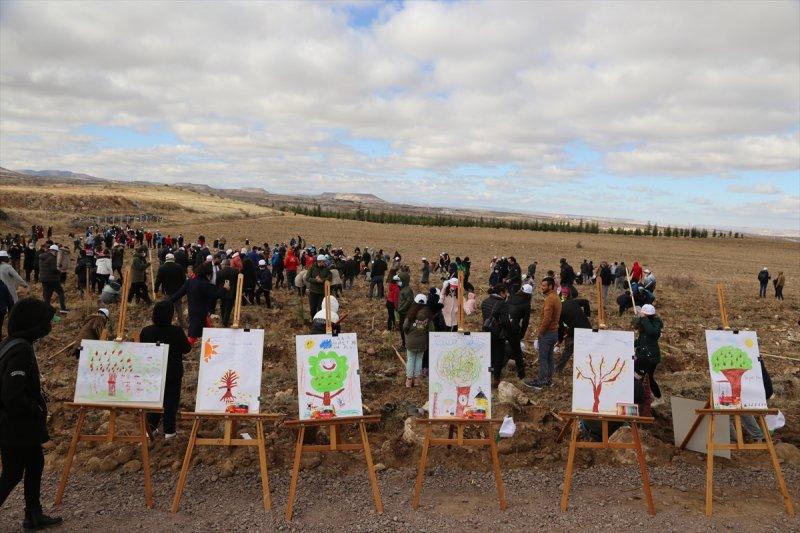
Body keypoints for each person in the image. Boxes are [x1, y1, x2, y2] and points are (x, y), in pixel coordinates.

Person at [0, 298, 63, 529]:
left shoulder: (11, 343)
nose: (48, 326)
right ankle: (33, 513)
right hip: (16, 426)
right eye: (45, 322)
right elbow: (12, 394)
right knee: (13, 472)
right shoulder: (20, 350)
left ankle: (33, 514)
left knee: (35, 463)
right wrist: (33, 408)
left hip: (16, 425)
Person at [141, 301, 192, 438]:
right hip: (172, 373)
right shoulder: (176, 331)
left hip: (152, 372)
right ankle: (169, 431)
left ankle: (151, 428)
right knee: (170, 402)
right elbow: (186, 349)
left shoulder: (146, 332)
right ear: (170, 315)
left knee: (153, 399)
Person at [170, 264, 228, 344]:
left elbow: (179, 294)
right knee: (192, 336)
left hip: (193, 311)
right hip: (200, 313)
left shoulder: (190, 281)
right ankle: (182, 349)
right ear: (207, 274)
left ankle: (212, 344)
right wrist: (224, 289)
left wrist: (168, 301)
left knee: (207, 328)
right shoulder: (204, 284)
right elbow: (215, 295)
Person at [524, 277, 561, 390]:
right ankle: (549, 380)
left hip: (547, 333)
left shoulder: (550, 299)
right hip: (554, 332)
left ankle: (541, 381)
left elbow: (547, 319)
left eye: (544, 286)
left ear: (550, 286)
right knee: (549, 357)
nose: (542, 287)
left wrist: (540, 332)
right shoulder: (557, 297)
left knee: (543, 358)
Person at [633, 304, 663, 416]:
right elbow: (640, 337)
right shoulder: (645, 324)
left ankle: (637, 400)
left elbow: (651, 332)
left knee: (637, 378)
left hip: (649, 357)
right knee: (649, 378)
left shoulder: (655, 324)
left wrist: (644, 318)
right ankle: (658, 397)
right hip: (647, 356)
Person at [555, 287, 591, 373]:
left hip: (575, 332)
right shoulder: (573, 302)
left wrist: (559, 340)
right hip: (587, 328)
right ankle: (588, 368)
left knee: (568, 350)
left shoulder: (560, 310)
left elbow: (561, 328)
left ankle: (558, 369)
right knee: (588, 350)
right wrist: (587, 315)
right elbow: (586, 302)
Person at [403, 294, 433, 387]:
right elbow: (431, 330)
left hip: (411, 342)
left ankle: (409, 380)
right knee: (419, 359)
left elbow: (405, 326)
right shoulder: (428, 315)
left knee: (410, 359)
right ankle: (416, 380)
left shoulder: (411, 313)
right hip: (422, 342)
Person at [155, 253, 187, 328]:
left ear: (166, 259)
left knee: (167, 308)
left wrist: (156, 289)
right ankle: (182, 323)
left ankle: (167, 323)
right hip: (178, 292)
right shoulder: (179, 267)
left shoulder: (162, 268)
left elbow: (158, 280)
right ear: (173, 259)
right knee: (179, 308)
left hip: (167, 292)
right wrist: (184, 290)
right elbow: (184, 279)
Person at [39, 245, 68, 313]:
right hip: (52, 279)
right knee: (60, 292)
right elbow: (53, 269)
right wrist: (59, 272)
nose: (57, 253)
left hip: (43, 279)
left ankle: (46, 309)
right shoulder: (52, 258)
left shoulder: (42, 257)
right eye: (56, 252)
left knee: (47, 295)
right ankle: (63, 308)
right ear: (53, 251)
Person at [396, 271, 413, 348]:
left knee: (404, 330)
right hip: (402, 313)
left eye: (399, 280)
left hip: (405, 314)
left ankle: (405, 345)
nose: (398, 282)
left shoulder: (407, 290)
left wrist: (400, 309)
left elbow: (408, 302)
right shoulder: (403, 288)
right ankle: (404, 344)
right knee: (402, 330)